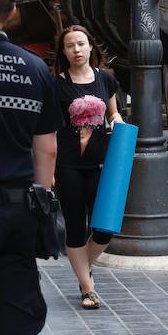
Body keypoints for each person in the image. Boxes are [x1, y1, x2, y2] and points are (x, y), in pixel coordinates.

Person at [0, 0, 60, 335]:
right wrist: (40, 203)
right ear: (13, 10)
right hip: (17, 210)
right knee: (17, 311)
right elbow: (46, 151)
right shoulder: (35, 70)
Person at [53, 25, 123, 309]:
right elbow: (49, 129)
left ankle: (82, 266)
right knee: (75, 228)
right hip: (68, 165)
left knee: (104, 229)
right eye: (70, 46)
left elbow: (113, 111)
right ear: (64, 52)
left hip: (100, 164)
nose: (77, 50)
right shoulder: (56, 84)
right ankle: (87, 287)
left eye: (81, 44)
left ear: (91, 47)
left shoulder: (105, 79)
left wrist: (116, 120)